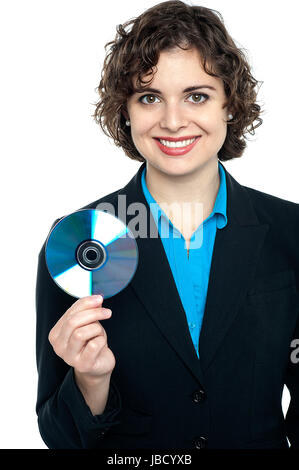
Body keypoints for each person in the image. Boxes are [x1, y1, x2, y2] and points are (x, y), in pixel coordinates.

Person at [35, 0, 299, 449]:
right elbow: (59, 436)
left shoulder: (292, 231)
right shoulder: (80, 241)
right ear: (126, 111)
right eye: (150, 97)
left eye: (197, 96)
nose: (173, 121)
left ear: (229, 106)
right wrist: (90, 381)